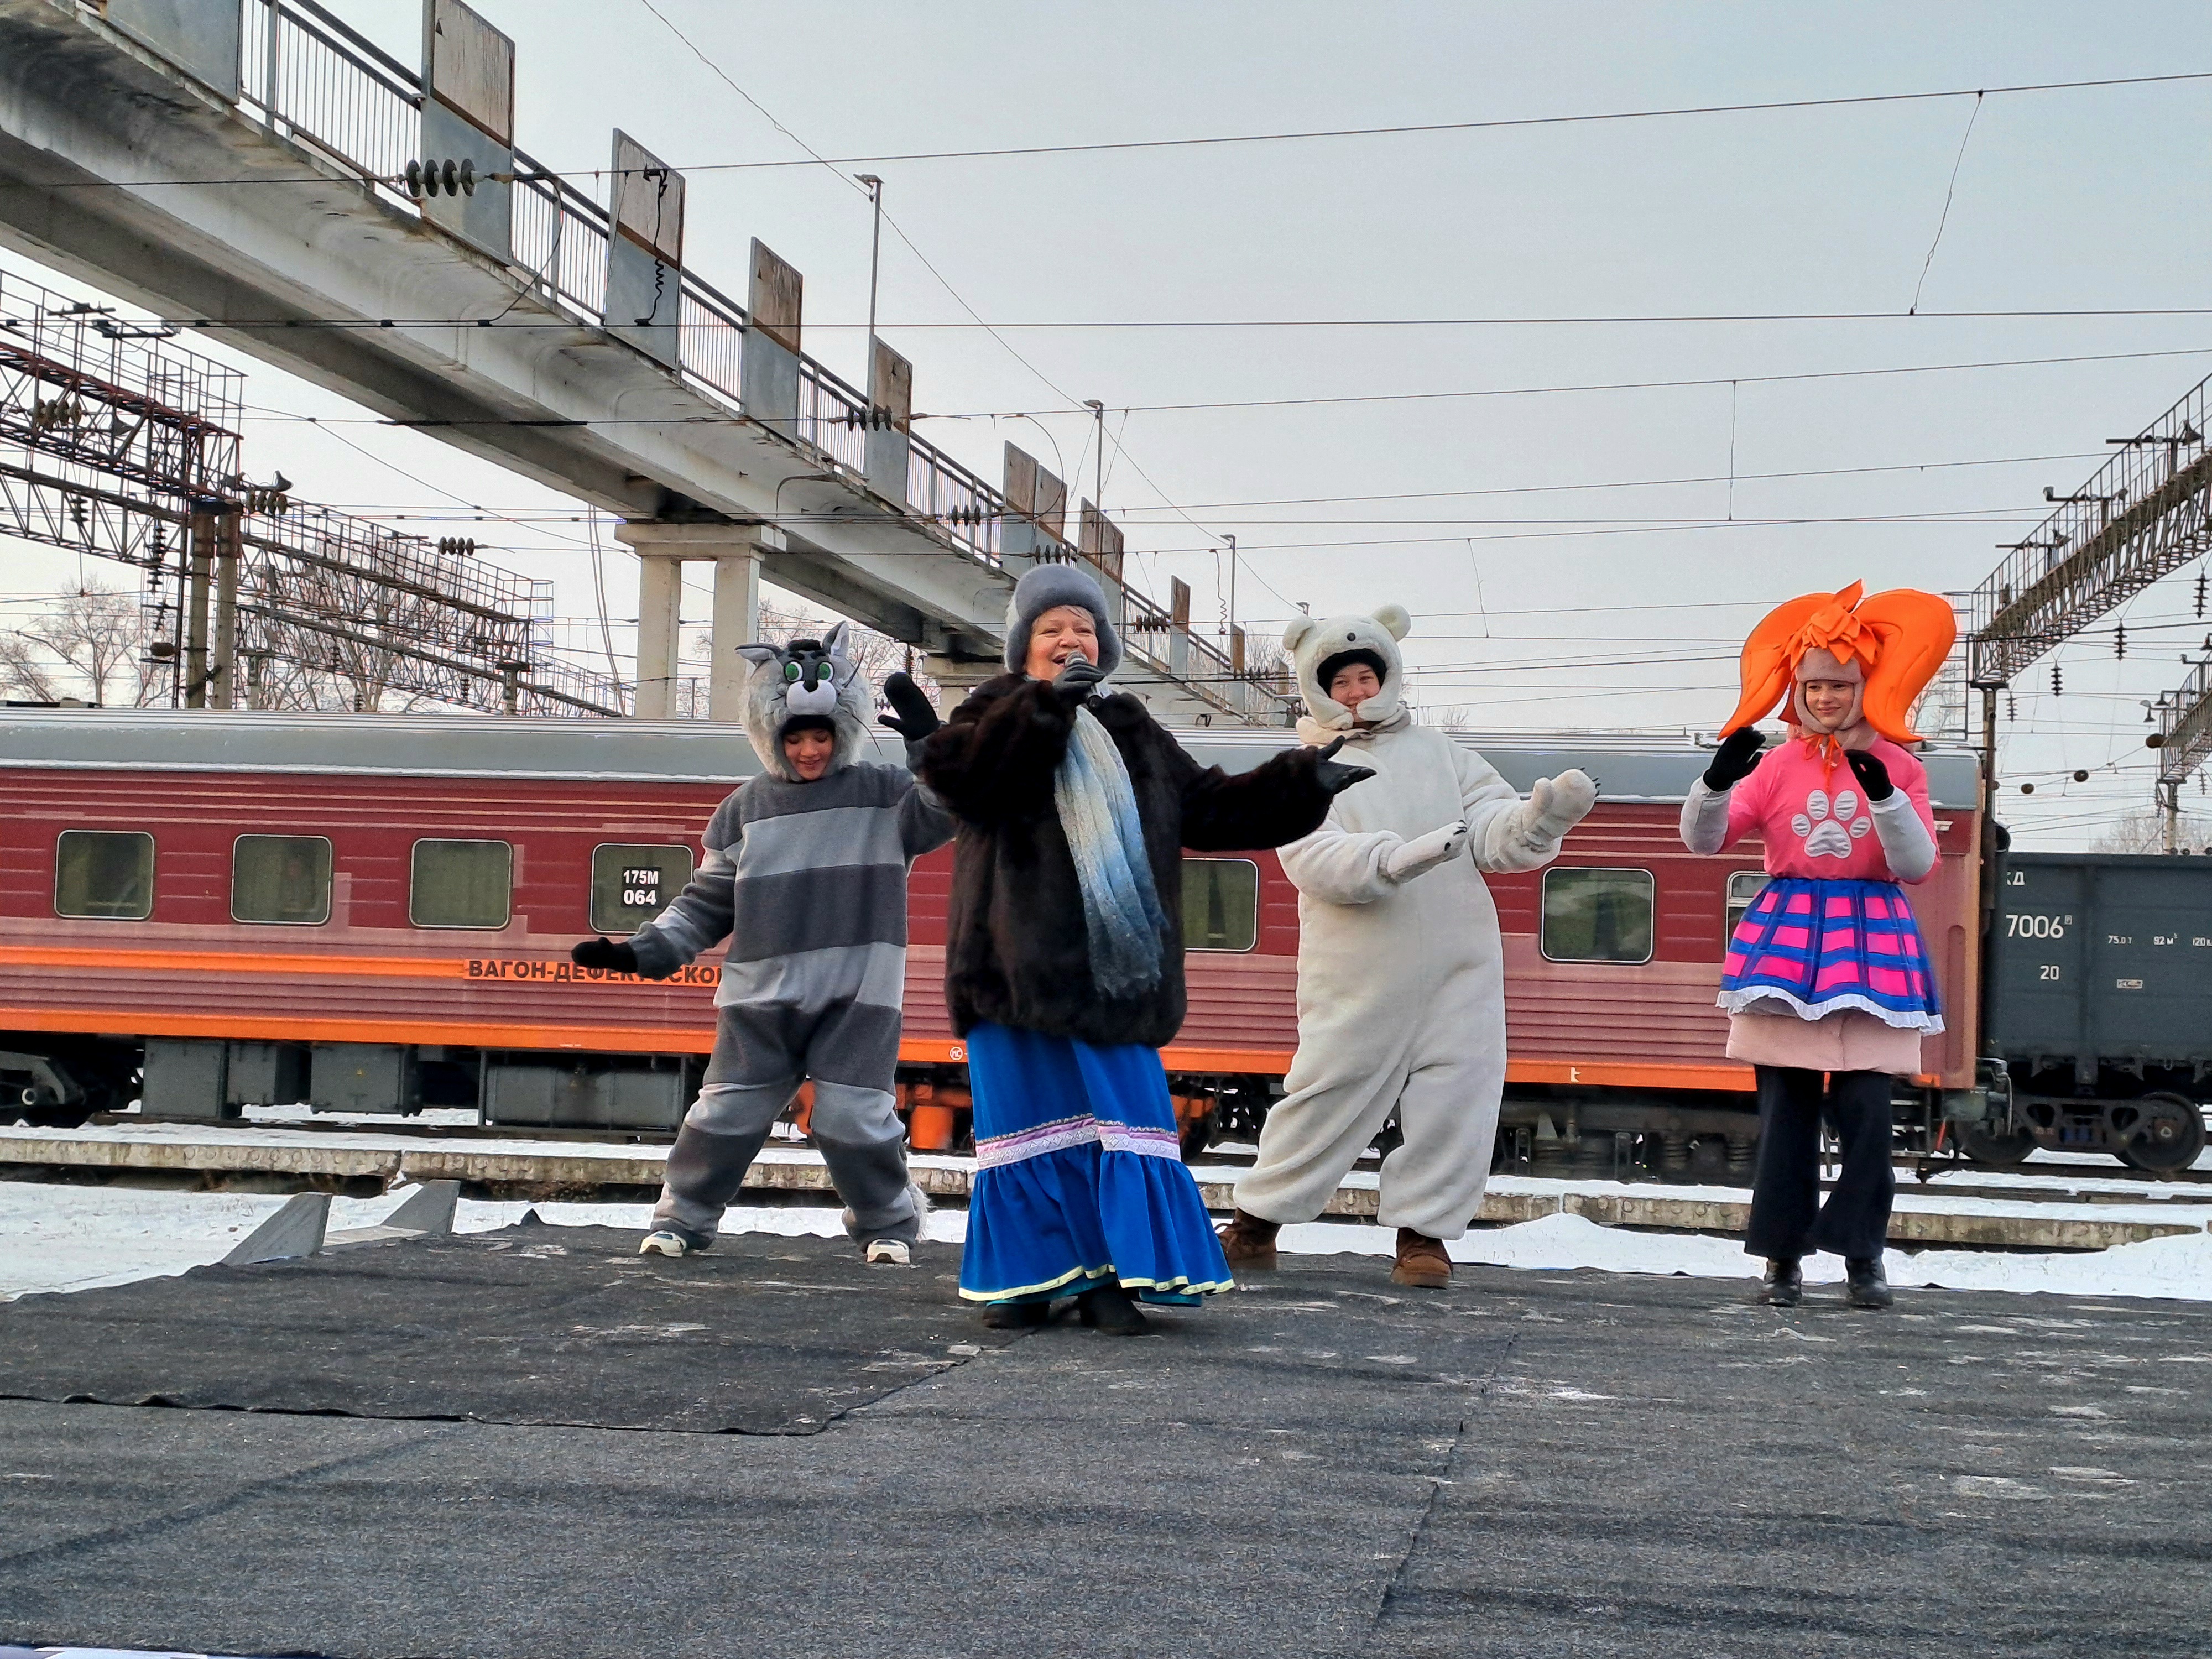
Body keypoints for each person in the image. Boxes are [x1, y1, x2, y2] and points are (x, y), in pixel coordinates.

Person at [910, 563, 1372, 1334]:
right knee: (1025, 1128)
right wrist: (1047, 708)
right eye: (1052, 629)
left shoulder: (1133, 730)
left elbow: (1209, 809)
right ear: (1025, 645)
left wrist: (1301, 780)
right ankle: (1029, 1283)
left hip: (1113, 975)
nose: (1070, 640)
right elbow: (971, 785)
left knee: (1117, 1125)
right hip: (1011, 970)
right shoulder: (990, 713)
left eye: (1084, 629)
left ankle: (1108, 1281)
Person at [1217, 607, 1597, 1288]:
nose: (1356, 692)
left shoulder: (1442, 754)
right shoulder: (1303, 769)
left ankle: (1424, 1239)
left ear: (1389, 676)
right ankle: (1255, 1226)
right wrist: (1397, 859)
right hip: (1357, 970)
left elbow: (1491, 830)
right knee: (1325, 1093)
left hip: (1460, 965)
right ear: (1317, 688)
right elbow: (1310, 858)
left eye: (1367, 677)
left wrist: (1538, 822)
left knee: (1457, 1100)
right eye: (1341, 682)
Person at [571, 623, 952, 1263]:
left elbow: (946, 811)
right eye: (794, 737)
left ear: (843, 731)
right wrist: (643, 951)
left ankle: (889, 1225)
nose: (809, 750)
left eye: (821, 736)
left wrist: (929, 749)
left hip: (857, 997)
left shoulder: (885, 796)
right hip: (758, 998)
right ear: (770, 735)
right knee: (723, 1115)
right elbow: (706, 903)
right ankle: (681, 1221)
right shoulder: (743, 809)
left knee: (854, 1118)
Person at [1679, 582, 1955, 1310]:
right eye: (1812, 686)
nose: (1825, 697)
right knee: (1787, 1118)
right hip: (1790, 940)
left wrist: (1886, 796)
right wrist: (1714, 783)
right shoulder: (1775, 766)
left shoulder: (1903, 765)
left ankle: (1863, 1253)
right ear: (1796, 690)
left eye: (1839, 685)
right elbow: (1706, 841)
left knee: (1869, 1115)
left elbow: (1917, 865)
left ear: (1868, 687)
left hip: (1871, 938)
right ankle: (1783, 1258)